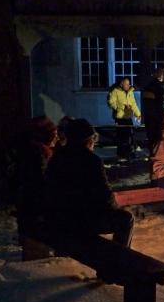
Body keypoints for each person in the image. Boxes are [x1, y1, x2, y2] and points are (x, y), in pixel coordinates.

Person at [43, 119, 134, 271]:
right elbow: (104, 194)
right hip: (81, 219)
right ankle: (116, 265)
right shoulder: (91, 160)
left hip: (60, 217)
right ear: (87, 140)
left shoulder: (58, 157)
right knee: (125, 219)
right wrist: (114, 209)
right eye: (92, 139)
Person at [16, 116, 58, 243]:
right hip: (35, 207)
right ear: (45, 136)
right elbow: (41, 182)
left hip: (28, 204)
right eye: (54, 134)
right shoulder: (39, 154)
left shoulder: (34, 150)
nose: (57, 137)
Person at [107, 77, 141, 160]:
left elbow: (133, 104)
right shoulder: (115, 91)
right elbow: (110, 102)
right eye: (126, 84)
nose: (128, 85)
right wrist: (121, 107)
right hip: (120, 118)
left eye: (129, 83)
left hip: (128, 116)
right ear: (121, 84)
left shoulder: (130, 92)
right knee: (121, 137)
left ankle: (130, 153)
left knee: (130, 135)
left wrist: (138, 114)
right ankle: (121, 154)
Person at [142, 69, 164, 151]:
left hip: (153, 117)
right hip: (155, 118)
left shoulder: (155, 86)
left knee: (154, 139)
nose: (163, 76)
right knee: (155, 139)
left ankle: (155, 156)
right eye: (161, 74)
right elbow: (150, 104)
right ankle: (155, 157)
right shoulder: (154, 87)